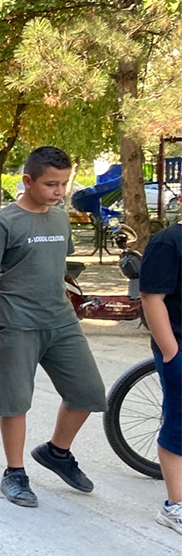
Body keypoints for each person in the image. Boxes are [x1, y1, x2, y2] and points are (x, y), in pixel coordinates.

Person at [0, 146, 107, 508]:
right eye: (51, 184)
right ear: (28, 181)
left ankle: (57, 453)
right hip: (16, 323)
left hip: (61, 320)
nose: (59, 191)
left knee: (90, 393)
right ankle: (14, 473)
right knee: (15, 402)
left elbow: (55, 265)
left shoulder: (60, 218)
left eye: (63, 184)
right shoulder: (4, 221)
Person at [140, 220, 181, 535]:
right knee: (178, 426)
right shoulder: (168, 242)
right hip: (178, 346)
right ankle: (174, 506)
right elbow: (152, 299)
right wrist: (171, 352)